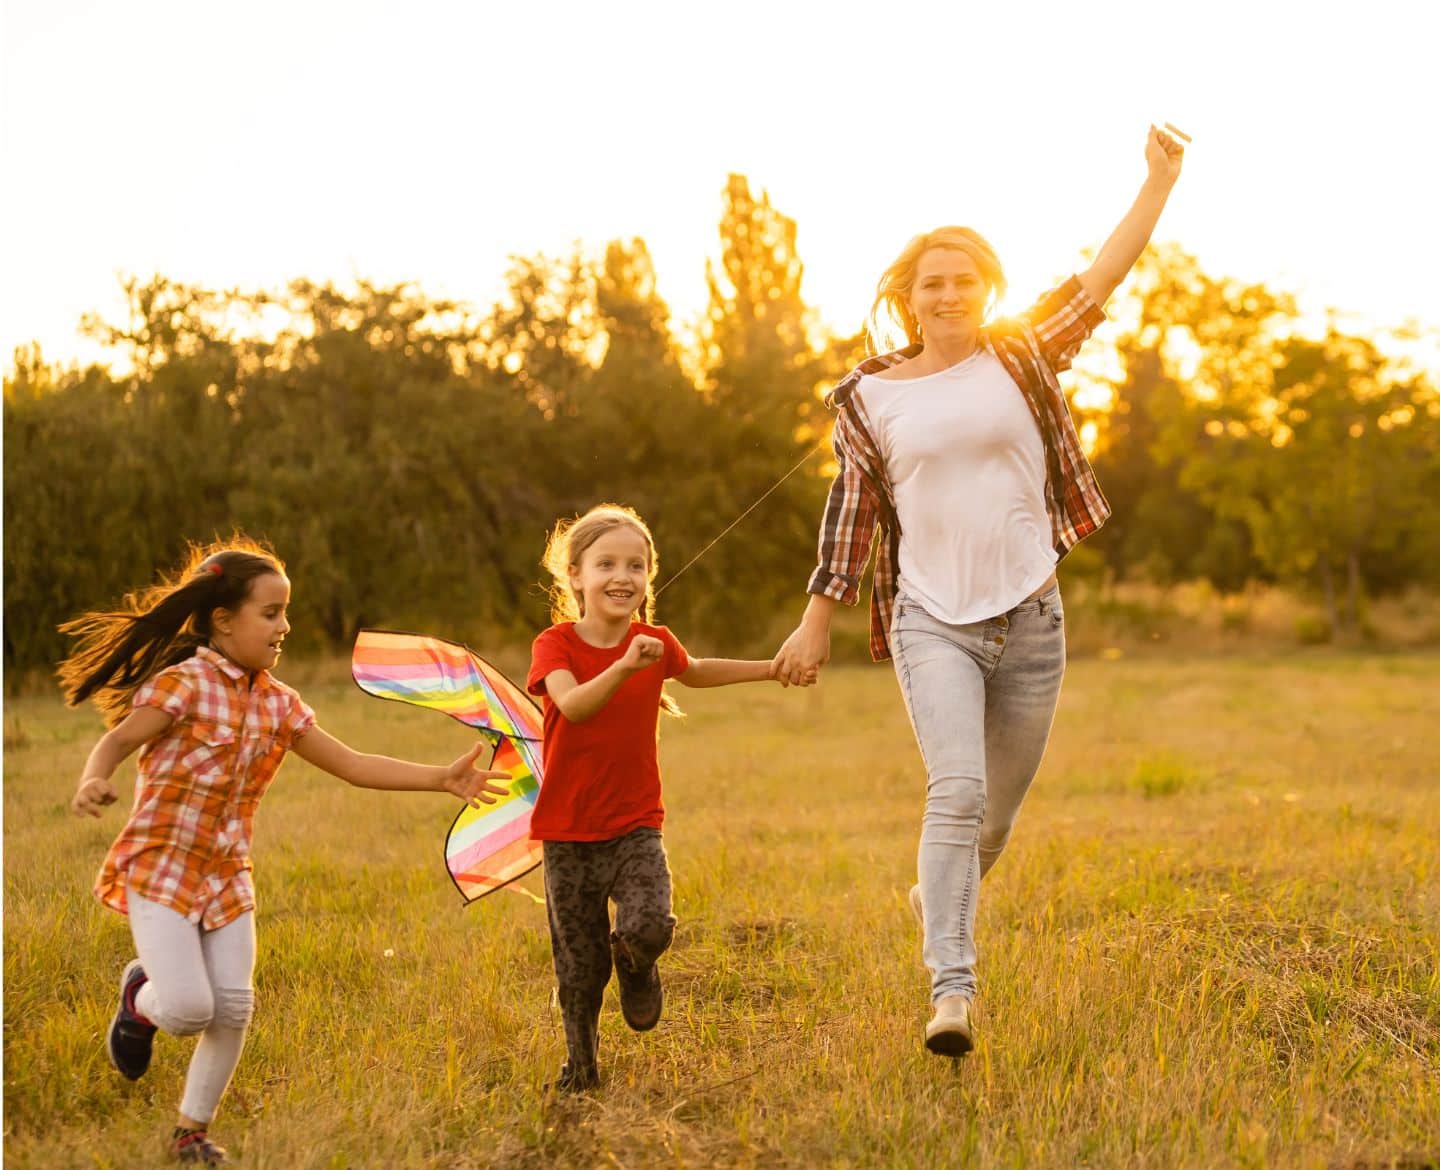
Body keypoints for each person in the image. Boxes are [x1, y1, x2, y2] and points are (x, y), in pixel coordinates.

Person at [771, 126, 1186, 1057]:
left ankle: (936, 892)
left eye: (963, 279)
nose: (949, 293)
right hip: (931, 621)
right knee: (954, 795)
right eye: (932, 282)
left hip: (1032, 615)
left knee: (994, 819)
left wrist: (1156, 185)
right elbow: (853, 511)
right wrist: (815, 624)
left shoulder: (1022, 353)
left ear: (985, 289)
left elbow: (1100, 279)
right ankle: (950, 991)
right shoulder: (869, 397)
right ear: (907, 299)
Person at [63, 540, 509, 1166]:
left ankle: (190, 1132)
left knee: (235, 1007)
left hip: (226, 875)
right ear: (224, 619)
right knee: (190, 1009)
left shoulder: (279, 703)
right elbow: (117, 742)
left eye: (286, 613)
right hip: (162, 866)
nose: (285, 626)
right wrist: (92, 778)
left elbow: (352, 764)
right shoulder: (183, 685)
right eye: (271, 613)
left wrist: (441, 778)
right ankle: (142, 998)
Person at [528, 503, 813, 1091]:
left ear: (648, 579)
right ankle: (581, 1069)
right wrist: (625, 667)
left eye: (636, 565)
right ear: (575, 576)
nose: (622, 576)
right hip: (567, 832)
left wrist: (773, 669)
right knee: (580, 970)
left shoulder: (653, 641)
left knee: (652, 925)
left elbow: (697, 669)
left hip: (635, 825)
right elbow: (574, 706)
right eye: (606, 563)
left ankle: (637, 969)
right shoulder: (554, 645)